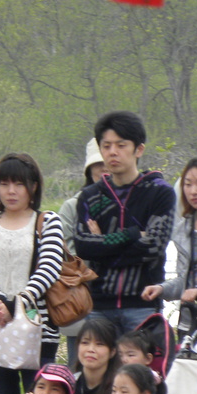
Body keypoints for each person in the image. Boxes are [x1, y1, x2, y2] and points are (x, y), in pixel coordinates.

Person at [0, 153, 63, 394]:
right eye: (4, 183)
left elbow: (49, 269)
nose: (11, 191)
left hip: (37, 328)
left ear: (33, 186)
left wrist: (16, 304)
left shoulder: (47, 222)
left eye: (19, 184)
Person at [75, 111, 176, 335]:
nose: (113, 152)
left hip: (142, 303)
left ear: (138, 149)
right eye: (107, 145)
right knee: (99, 369)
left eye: (121, 145)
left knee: (143, 370)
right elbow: (83, 246)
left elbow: (154, 246)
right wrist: (132, 235)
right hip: (99, 305)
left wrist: (103, 243)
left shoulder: (159, 193)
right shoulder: (91, 196)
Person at [143, 155, 197, 307]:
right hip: (193, 317)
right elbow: (184, 280)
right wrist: (161, 289)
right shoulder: (183, 228)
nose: (193, 191)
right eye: (187, 185)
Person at [58, 139, 105, 369]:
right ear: (89, 169)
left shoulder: (131, 206)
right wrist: (103, 245)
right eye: (98, 164)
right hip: (81, 301)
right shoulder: (72, 207)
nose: (104, 169)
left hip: (120, 299)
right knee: (78, 370)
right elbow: (68, 257)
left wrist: (97, 243)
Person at [74, 316, 120, 394]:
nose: (90, 349)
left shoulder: (121, 387)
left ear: (112, 352)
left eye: (99, 344)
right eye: (85, 342)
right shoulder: (67, 385)